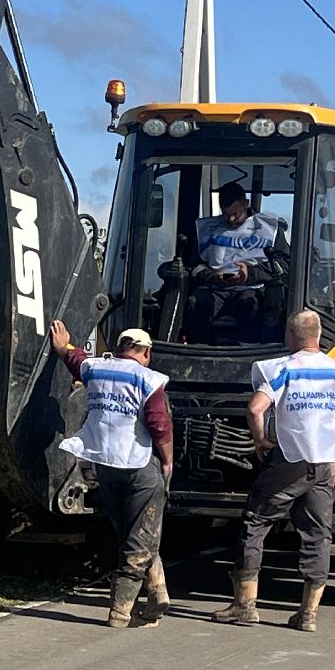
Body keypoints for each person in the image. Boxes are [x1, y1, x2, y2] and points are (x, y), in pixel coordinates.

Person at [212, 309, 335, 632]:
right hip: (324, 464)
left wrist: (260, 439)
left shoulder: (283, 369)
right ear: (319, 336)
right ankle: (308, 614)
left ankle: (245, 605)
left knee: (256, 521)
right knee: (318, 534)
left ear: (291, 337)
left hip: (289, 461)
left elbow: (255, 407)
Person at [50, 320, 175, 628]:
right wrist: (168, 459)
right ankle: (120, 610)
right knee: (140, 536)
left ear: (119, 348)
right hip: (138, 464)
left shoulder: (96, 369)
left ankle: (157, 589)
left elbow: (75, 360)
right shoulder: (149, 378)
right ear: (145, 351)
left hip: (105, 464)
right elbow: (159, 424)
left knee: (130, 531)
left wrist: (63, 345)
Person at [187, 182, 289, 344]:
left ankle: (250, 352)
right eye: (226, 214)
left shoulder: (270, 229)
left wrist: (250, 274)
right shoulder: (207, 229)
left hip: (253, 289)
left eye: (235, 213)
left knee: (253, 306)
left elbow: (284, 265)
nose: (231, 219)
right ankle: (195, 350)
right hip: (215, 289)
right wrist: (211, 276)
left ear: (246, 204)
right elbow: (194, 266)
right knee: (196, 302)